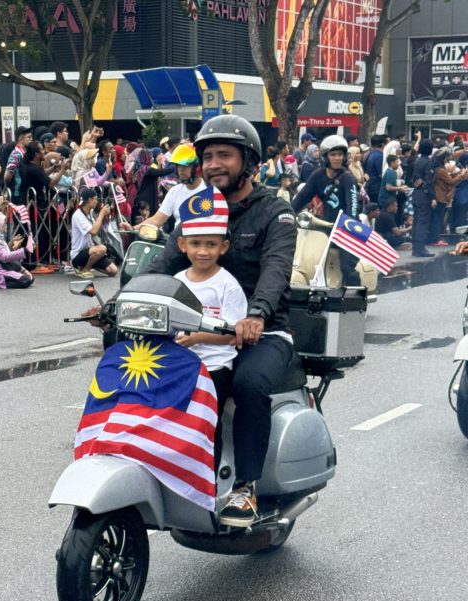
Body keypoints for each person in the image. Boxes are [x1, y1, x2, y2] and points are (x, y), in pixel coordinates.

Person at [149, 114, 297, 526]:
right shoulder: (197, 208)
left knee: (248, 383)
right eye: (208, 156)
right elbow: (165, 263)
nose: (214, 164)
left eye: (225, 155)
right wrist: (121, 304)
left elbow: (276, 268)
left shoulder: (274, 210)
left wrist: (256, 314)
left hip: (263, 331)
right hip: (202, 330)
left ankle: (246, 488)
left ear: (247, 161)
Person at [174, 186, 248, 466]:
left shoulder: (227, 284)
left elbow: (232, 334)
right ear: (183, 245)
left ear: (223, 247)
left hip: (215, 368)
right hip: (182, 364)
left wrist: (197, 338)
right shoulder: (178, 280)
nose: (203, 251)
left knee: (207, 426)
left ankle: (210, 481)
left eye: (211, 244)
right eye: (195, 244)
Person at [292, 135, 361, 286]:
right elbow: (300, 199)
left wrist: (346, 228)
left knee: (346, 265)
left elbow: (353, 210)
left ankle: (355, 294)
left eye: (340, 154)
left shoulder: (348, 179)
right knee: (309, 256)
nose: (337, 158)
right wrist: (286, 214)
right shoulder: (317, 176)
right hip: (327, 227)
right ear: (325, 157)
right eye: (333, 154)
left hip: (348, 229)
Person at [122, 144, 206, 232]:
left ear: (197, 167)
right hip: (178, 242)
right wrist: (132, 228)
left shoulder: (210, 189)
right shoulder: (174, 192)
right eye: (178, 165)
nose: (181, 170)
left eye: (186, 166)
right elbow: (156, 220)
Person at [70, 188, 119, 278]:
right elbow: (93, 232)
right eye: (95, 199)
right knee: (102, 249)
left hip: (91, 251)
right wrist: (101, 214)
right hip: (78, 254)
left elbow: (96, 229)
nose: (97, 202)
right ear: (90, 200)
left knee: (113, 271)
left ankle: (86, 265)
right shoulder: (78, 215)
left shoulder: (89, 213)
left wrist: (103, 215)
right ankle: (85, 269)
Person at [429, 148, 468, 245]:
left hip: (445, 196)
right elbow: (451, 182)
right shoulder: (441, 170)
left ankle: (437, 237)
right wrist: (462, 175)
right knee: (439, 218)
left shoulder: (439, 169)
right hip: (442, 196)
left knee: (441, 218)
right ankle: (436, 239)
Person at [411, 138, 437, 257]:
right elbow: (430, 181)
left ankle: (415, 247)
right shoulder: (428, 162)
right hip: (424, 195)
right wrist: (433, 197)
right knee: (423, 222)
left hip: (416, 193)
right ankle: (420, 248)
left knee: (416, 222)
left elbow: (414, 178)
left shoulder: (417, 160)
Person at [4, 126, 32, 204]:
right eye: (29, 137)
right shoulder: (16, 154)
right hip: (17, 194)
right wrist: (13, 187)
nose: (31, 139)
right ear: (20, 139)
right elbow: (7, 177)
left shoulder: (25, 153)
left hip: (25, 193)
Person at [363, 134, 386, 203]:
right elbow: (381, 173)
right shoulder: (379, 155)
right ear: (382, 144)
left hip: (369, 185)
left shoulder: (367, 153)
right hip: (376, 187)